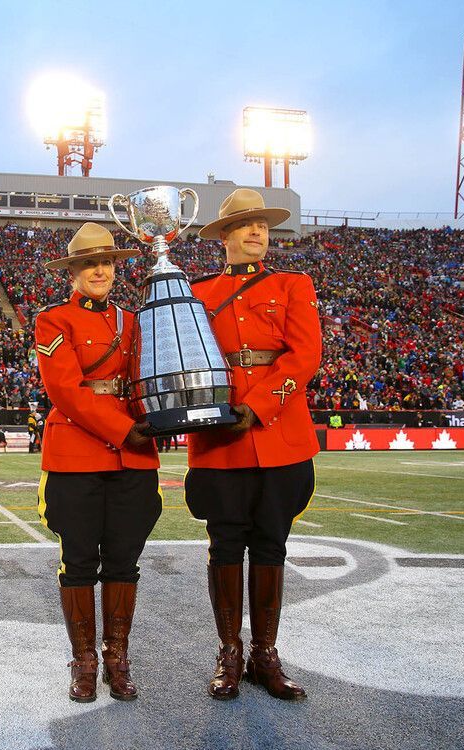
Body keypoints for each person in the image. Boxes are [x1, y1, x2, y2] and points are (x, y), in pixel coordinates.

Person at [186, 189, 322, 702]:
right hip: (220, 438)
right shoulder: (196, 291)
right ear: (223, 235)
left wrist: (260, 405)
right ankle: (229, 652)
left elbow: (304, 355)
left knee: (272, 545)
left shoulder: (294, 283)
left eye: (262, 224)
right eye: (244, 225)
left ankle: (265, 654)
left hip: (281, 434)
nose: (257, 232)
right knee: (224, 546)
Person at [34, 222, 161, 703]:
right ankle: (84, 662)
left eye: (107, 262)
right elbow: (65, 391)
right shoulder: (53, 320)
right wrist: (125, 430)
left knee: (125, 560)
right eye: (90, 263)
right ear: (73, 272)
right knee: (80, 562)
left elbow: (145, 380)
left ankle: (117, 659)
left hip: (132, 459)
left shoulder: (133, 321)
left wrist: (161, 418)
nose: (100, 270)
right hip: (77, 455)